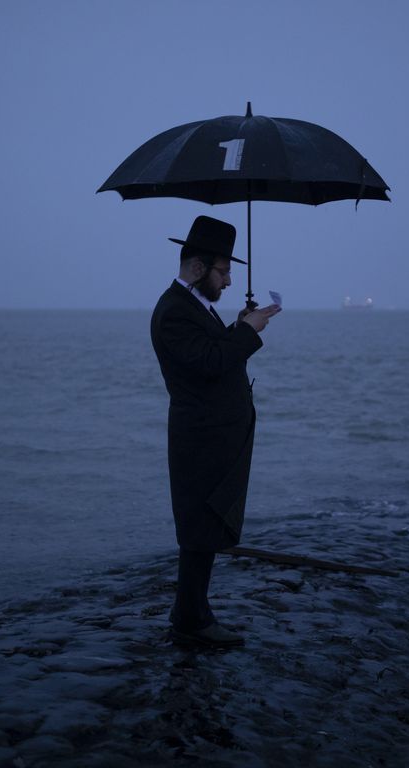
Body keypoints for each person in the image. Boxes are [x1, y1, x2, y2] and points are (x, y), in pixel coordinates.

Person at [149, 215, 281, 648]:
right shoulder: (173, 311)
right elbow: (207, 365)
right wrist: (245, 331)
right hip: (199, 437)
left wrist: (239, 328)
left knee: (204, 525)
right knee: (197, 528)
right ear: (198, 267)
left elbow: (211, 353)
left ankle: (192, 612)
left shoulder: (193, 308)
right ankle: (191, 618)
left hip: (211, 435)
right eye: (223, 271)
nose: (227, 281)